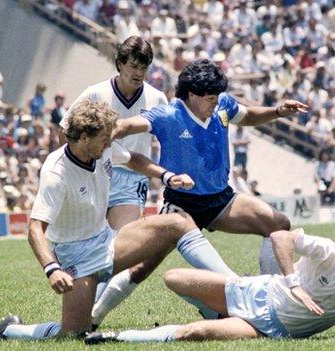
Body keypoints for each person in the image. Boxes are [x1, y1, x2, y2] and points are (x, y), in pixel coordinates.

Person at [0, 100, 198, 341]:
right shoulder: (56, 173)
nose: (109, 142)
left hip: (106, 241)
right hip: (75, 256)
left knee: (177, 223)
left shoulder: (103, 148)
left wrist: (166, 176)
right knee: (74, 334)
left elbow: (134, 159)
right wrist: (52, 269)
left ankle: (226, 295)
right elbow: (35, 229)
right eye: (103, 137)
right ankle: (9, 330)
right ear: (82, 137)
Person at [102, 58, 308, 323]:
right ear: (191, 95)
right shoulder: (169, 114)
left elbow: (247, 116)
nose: (216, 102)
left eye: (217, 96)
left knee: (278, 223)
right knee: (143, 267)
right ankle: (94, 316)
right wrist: (110, 130)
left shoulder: (221, 106)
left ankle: (270, 299)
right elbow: (130, 125)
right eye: (210, 98)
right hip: (181, 206)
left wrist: (277, 111)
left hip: (220, 200)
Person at [83, 228, 335, 344]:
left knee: (192, 333)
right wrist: (293, 283)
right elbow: (281, 236)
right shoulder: (331, 252)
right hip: (256, 291)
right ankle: (217, 313)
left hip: (268, 328)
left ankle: (114, 338)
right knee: (174, 278)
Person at [59, 36, 171, 329]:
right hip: (94, 175)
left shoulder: (158, 98)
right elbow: (65, 132)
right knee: (94, 252)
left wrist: (167, 174)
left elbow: (168, 140)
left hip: (131, 179)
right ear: (120, 64)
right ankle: (83, 317)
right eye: (133, 65)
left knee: (123, 250)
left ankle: (93, 315)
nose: (138, 73)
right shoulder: (94, 94)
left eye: (143, 67)